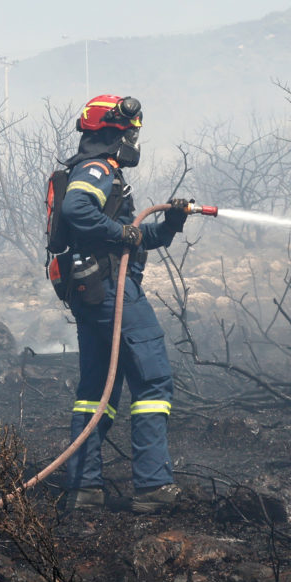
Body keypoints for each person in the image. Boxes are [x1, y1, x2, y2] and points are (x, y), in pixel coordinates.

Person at [48, 95, 190, 513]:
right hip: (112, 290)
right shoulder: (96, 169)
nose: (133, 140)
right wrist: (121, 233)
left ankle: (85, 488)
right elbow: (77, 209)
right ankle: (153, 486)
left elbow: (133, 237)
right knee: (153, 381)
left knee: (95, 392)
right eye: (130, 132)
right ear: (111, 131)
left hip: (92, 292)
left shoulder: (100, 173)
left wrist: (171, 224)